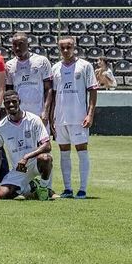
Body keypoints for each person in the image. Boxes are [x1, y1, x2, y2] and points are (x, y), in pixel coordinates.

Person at [48, 37, 98, 199]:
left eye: (68, 47)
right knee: (63, 153)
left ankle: (82, 188)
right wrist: (51, 117)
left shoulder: (85, 66)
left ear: (74, 47)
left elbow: (93, 90)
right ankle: (67, 188)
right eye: (62, 48)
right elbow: (53, 94)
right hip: (60, 118)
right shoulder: (55, 68)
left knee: (82, 152)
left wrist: (90, 114)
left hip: (79, 118)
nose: (65, 50)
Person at [0, 90, 53, 200]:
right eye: (8, 102)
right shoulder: (0, 127)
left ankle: (44, 188)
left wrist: (26, 157)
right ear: (4, 104)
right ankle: (31, 187)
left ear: (19, 101)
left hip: (35, 163)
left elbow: (47, 146)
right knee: (1, 195)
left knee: (45, 158)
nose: (11, 105)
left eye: (14, 101)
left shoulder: (34, 119)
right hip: (18, 169)